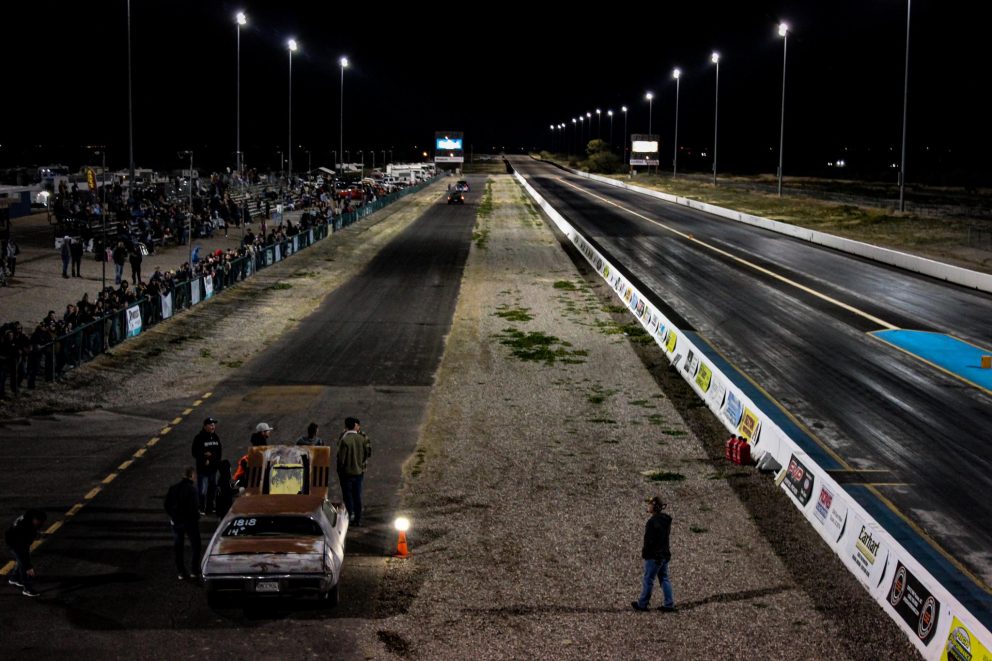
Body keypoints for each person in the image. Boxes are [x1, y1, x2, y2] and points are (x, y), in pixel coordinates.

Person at [632, 496, 676, 613]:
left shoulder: (652, 522)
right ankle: (669, 604)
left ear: (654, 506)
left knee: (648, 579)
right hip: (664, 555)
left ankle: (642, 604)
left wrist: (645, 553)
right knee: (664, 579)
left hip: (654, 557)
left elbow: (649, 541)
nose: (648, 506)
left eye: (650, 504)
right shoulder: (666, 520)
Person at [164, 467, 201, 580]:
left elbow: (166, 504)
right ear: (191, 476)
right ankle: (194, 571)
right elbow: (194, 507)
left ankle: (181, 572)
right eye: (194, 476)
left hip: (176, 522)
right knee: (196, 546)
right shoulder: (192, 490)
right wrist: (196, 517)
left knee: (178, 547)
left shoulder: (173, 488)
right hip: (189, 522)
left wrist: (173, 517)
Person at [336, 417, 371, 526]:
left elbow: (341, 459)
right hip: (359, 472)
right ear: (355, 425)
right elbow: (367, 453)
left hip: (346, 473)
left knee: (347, 496)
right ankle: (357, 519)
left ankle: (349, 516)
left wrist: (340, 470)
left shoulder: (344, 440)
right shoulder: (362, 438)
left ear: (346, 426)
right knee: (357, 496)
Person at [4, 509, 47, 597]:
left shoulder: (29, 519)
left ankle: (14, 578)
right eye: (38, 522)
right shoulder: (23, 528)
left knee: (21, 561)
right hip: (15, 543)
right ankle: (27, 589)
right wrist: (29, 567)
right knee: (24, 565)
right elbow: (23, 550)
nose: (39, 524)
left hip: (18, 541)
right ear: (34, 519)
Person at [191, 417, 222, 514]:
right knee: (202, 490)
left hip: (213, 469)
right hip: (203, 469)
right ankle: (201, 508)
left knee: (212, 490)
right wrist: (204, 456)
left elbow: (219, 452)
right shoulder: (199, 438)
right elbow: (194, 452)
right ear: (205, 426)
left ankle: (210, 507)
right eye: (210, 425)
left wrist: (212, 457)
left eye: (214, 425)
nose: (213, 426)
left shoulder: (216, 437)